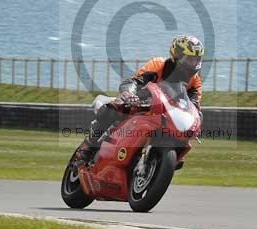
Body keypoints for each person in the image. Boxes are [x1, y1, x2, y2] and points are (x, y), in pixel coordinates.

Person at [77, 34, 204, 163]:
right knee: (116, 107)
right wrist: (129, 94)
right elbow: (135, 81)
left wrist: (195, 121)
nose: (193, 63)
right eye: (189, 59)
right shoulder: (158, 65)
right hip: (141, 102)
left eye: (196, 59)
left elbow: (194, 106)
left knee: (180, 154)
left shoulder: (195, 81)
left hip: (166, 114)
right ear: (177, 55)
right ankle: (89, 145)